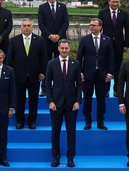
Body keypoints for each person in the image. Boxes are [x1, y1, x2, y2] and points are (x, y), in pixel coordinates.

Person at [46, 39, 82, 168]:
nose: (64, 50)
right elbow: (47, 84)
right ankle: (56, 157)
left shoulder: (76, 64)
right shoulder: (51, 63)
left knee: (71, 132)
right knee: (55, 132)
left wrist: (78, 101)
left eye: (66, 48)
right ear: (58, 49)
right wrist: (50, 101)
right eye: (62, 48)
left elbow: (79, 84)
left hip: (72, 103)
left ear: (69, 49)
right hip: (56, 103)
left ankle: (70, 158)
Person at [6, 18, 47, 129]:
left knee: (34, 100)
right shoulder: (14, 41)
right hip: (19, 75)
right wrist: (10, 74)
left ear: (32, 27)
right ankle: (20, 121)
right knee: (19, 100)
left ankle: (32, 121)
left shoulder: (40, 40)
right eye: (24, 25)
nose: (26, 27)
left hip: (34, 75)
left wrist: (43, 72)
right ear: (21, 27)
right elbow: (10, 59)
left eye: (28, 25)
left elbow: (43, 58)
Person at [76, 18, 113, 130]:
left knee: (101, 99)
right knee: (87, 98)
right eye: (90, 25)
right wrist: (80, 72)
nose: (91, 27)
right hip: (88, 74)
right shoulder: (85, 40)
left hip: (102, 74)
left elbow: (111, 58)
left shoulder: (107, 40)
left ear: (100, 27)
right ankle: (88, 121)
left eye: (94, 25)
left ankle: (101, 121)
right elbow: (79, 57)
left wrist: (110, 73)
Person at [97, 0, 129, 97]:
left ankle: (117, 89)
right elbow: (99, 28)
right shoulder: (102, 13)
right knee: (105, 67)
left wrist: (126, 44)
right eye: (113, 2)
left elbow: (128, 29)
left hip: (119, 45)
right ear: (109, 2)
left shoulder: (124, 14)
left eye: (117, 2)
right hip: (105, 45)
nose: (115, 4)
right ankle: (105, 89)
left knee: (118, 68)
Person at [38, 0, 69, 97]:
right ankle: (44, 88)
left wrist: (59, 35)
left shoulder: (63, 6)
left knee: (60, 65)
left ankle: (59, 87)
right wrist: (50, 35)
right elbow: (41, 24)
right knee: (45, 64)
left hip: (60, 42)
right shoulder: (42, 7)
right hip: (46, 41)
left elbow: (66, 22)